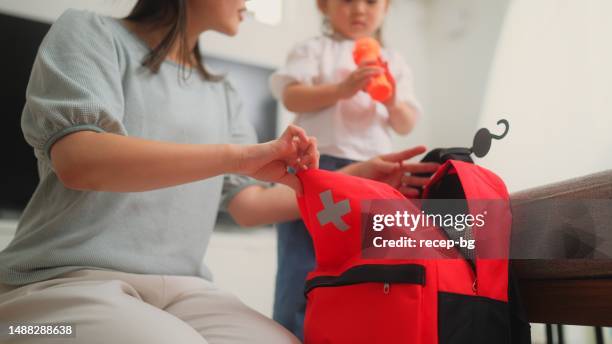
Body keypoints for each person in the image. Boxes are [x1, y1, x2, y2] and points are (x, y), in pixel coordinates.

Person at [0, 1, 436, 343]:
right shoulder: (89, 33)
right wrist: (235, 156)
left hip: (185, 291)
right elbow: (80, 161)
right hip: (58, 286)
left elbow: (248, 206)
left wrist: (359, 177)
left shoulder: (222, 93)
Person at [269, 0, 425, 339]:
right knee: (301, 262)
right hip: (318, 168)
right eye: (346, 1)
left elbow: (406, 122)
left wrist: (391, 101)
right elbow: (292, 97)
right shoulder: (315, 49)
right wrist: (342, 89)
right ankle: (292, 332)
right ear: (323, 6)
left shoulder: (394, 61)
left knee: (367, 263)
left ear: (386, 7)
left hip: (375, 174)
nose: (359, 9)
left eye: (370, 2)